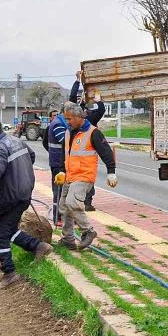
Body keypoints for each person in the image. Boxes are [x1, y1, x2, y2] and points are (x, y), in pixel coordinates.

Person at [0, 117, 53, 290]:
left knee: (0, 236)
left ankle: (10, 273)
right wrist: (19, 172)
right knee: (9, 230)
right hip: (23, 193)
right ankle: (39, 246)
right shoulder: (15, 140)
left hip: (11, 197)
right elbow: (32, 156)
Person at [55, 102, 117, 250]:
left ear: (78, 117)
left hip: (84, 176)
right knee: (63, 206)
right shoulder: (69, 132)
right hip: (70, 176)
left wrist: (111, 172)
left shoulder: (93, 132)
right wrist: (62, 170)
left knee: (72, 202)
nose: (67, 122)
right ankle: (68, 239)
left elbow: (106, 152)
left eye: (69, 119)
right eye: (66, 119)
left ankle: (88, 231)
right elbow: (67, 155)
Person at [69, 71, 106, 211]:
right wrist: (78, 81)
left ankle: (86, 202)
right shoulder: (80, 119)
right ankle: (84, 202)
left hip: (84, 158)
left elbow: (100, 109)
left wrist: (97, 99)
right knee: (82, 181)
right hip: (78, 157)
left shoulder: (88, 119)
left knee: (86, 181)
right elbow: (73, 99)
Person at [45, 108, 67, 226]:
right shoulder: (58, 124)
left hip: (57, 161)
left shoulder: (59, 122)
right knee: (58, 191)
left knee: (60, 190)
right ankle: (57, 217)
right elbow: (65, 141)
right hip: (58, 162)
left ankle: (59, 216)